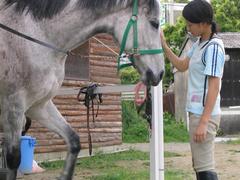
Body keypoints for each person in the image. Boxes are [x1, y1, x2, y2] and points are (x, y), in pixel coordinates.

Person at [160, 0, 225, 180]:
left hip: (205, 114)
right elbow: (181, 66)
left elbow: (214, 86)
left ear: (204, 24)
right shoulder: (199, 44)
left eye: (190, 24)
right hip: (196, 112)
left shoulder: (213, 47)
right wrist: (165, 46)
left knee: (205, 168)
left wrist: (204, 122)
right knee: (199, 166)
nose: (188, 28)